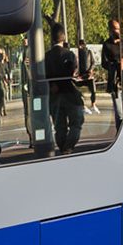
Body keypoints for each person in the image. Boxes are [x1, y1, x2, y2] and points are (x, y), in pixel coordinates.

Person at [44, 23, 84, 154]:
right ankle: (69, 146)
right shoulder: (69, 54)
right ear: (64, 37)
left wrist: (52, 85)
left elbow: (44, 74)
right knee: (76, 123)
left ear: (52, 38)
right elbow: (73, 71)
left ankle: (62, 147)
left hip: (54, 95)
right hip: (69, 92)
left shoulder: (46, 56)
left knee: (59, 126)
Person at [101, 18, 123, 124]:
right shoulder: (106, 45)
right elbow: (104, 63)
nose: (118, 31)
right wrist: (113, 65)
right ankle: (119, 131)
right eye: (115, 29)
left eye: (119, 29)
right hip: (116, 83)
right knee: (119, 112)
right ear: (110, 30)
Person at [75, 38, 99, 114]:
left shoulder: (89, 52)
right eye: (79, 45)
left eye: (82, 44)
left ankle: (93, 105)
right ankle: (83, 106)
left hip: (88, 75)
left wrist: (90, 70)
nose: (81, 46)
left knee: (93, 90)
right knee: (76, 91)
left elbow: (93, 62)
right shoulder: (76, 53)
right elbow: (75, 65)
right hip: (79, 76)